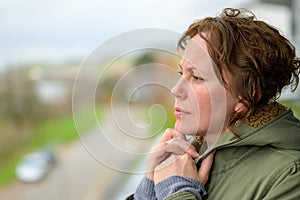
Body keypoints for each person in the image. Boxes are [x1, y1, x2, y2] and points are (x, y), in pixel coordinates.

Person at [127, 7, 300, 200]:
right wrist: (148, 191)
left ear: (245, 97)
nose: (176, 90)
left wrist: (177, 192)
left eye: (197, 77)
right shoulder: (187, 159)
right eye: (181, 73)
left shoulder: (289, 176)